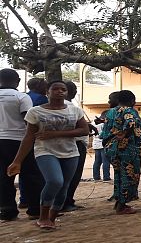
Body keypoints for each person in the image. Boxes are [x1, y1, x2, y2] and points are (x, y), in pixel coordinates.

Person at [7, 80, 89, 229]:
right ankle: (43, 216)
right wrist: (17, 161)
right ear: (47, 92)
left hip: (70, 152)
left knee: (64, 186)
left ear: (67, 92)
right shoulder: (35, 111)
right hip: (45, 151)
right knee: (55, 181)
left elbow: (84, 130)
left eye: (63, 89)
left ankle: (51, 218)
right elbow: (28, 137)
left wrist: (55, 133)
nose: (60, 91)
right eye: (55, 89)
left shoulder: (75, 110)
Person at [0, 69, 43, 221]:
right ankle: (35, 209)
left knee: (4, 177)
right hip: (19, 141)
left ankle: (7, 210)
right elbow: (28, 120)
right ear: (17, 81)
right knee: (31, 174)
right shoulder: (21, 96)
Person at [100, 90, 141, 215]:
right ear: (132, 101)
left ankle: (118, 202)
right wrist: (124, 135)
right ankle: (122, 205)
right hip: (126, 148)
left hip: (111, 148)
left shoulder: (111, 112)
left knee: (119, 175)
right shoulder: (129, 111)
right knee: (128, 175)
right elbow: (131, 123)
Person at [59, 80, 91, 212]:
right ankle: (66, 202)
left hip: (61, 144)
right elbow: (80, 129)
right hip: (75, 144)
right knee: (73, 175)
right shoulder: (72, 108)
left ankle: (64, 201)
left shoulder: (51, 106)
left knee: (63, 175)